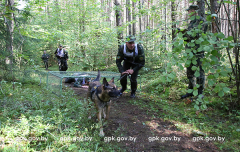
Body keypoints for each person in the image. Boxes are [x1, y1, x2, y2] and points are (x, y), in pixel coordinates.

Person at [180, 5, 208, 99]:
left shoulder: (201, 21)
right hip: (190, 51)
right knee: (190, 72)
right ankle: (191, 91)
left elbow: (197, 35)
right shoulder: (192, 22)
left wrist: (186, 34)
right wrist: (183, 33)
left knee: (200, 72)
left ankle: (200, 93)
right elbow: (188, 37)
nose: (188, 13)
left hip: (198, 51)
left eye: (189, 11)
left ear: (194, 11)